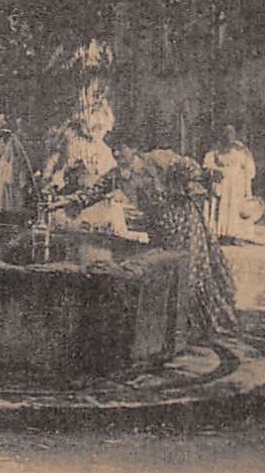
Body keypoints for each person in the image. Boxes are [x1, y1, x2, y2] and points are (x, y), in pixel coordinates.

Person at [55, 143, 238, 335]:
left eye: (122, 148)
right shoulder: (117, 175)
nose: (117, 153)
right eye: (114, 150)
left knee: (189, 269)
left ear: (134, 148)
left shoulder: (157, 159)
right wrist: (67, 201)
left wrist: (191, 181)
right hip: (158, 228)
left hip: (184, 222)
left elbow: (189, 167)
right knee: (162, 269)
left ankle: (195, 327)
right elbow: (93, 193)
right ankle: (171, 328)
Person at [201, 125, 256, 243]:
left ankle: (236, 235)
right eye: (226, 133)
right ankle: (221, 233)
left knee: (236, 208)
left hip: (237, 184)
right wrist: (216, 169)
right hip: (223, 182)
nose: (229, 136)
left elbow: (249, 168)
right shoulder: (217, 149)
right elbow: (207, 164)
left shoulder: (241, 149)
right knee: (222, 208)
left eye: (231, 133)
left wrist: (248, 189)